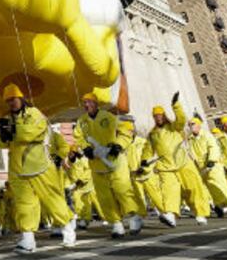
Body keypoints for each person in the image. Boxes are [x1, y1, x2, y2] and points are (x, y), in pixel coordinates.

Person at [0, 84, 76, 253]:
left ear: (21, 98)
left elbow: (32, 133)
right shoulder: (7, 119)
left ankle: (67, 226)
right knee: (24, 204)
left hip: (38, 165)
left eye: (14, 99)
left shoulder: (35, 114)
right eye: (8, 100)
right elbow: (2, 143)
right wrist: (3, 134)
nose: (11, 103)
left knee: (51, 199)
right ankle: (28, 240)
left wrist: (13, 130)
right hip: (17, 168)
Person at [74, 92, 143, 238]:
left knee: (122, 191)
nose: (87, 105)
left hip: (115, 162)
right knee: (105, 197)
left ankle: (133, 217)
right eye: (84, 103)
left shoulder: (108, 117)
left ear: (96, 103)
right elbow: (78, 138)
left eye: (89, 102)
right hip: (97, 165)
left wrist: (118, 145)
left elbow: (125, 131)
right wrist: (86, 148)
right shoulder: (81, 122)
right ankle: (116, 224)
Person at [145, 95, 210, 225]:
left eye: (160, 115)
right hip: (166, 167)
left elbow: (181, 119)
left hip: (183, 163)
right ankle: (170, 215)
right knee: (169, 190)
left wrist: (176, 105)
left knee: (193, 188)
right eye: (155, 116)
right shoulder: (152, 134)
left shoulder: (174, 127)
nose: (158, 118)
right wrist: (144, 161)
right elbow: (148, 150)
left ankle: (200, 213)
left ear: (164, 116)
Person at [187, 116, 227, 217]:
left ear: (198, 125)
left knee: (216, 185)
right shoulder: (190, 139)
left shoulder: (207, 136)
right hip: (201, 167)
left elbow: (213, 147)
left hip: (213, 166)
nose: (190, 127)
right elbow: (191, 153)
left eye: (192, 124)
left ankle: (221, 204)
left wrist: (212, 160)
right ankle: (211, 205)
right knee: (203, 188)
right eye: (189, 125)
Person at [125, 119, 164, 216]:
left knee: (156, 196)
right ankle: (140, 217)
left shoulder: (143, 142)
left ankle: (166, 214)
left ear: (132, 131)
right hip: (134, 176)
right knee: (139, 198)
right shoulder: (125, 146)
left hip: (147, 174)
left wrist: (145, 168)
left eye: (128, 131)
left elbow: (151, 156)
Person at [66, 150, 95, 229]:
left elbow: (88, 171)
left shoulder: (83, 160)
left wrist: (79, 181)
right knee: (77, 202)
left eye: (71, 153)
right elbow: (68, 174)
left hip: (86, 185)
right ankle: (81, 219)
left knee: (86, 203)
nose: (70, 154)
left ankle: (86, 219)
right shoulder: (68, 162)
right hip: (76, 187)